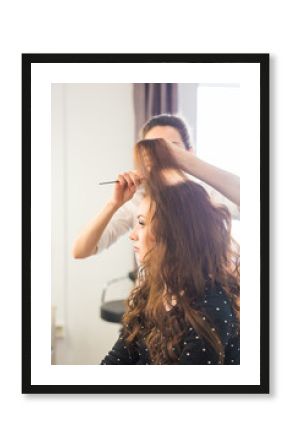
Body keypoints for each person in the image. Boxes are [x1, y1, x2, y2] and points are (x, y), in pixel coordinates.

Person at [101, 138, 240, 365]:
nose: (132, 235)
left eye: (142, 223)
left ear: (174, 235)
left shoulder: (210, 309)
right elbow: (116, 360)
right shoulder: (152, 290)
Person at [72, 114, 240, 259]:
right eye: (153, 149)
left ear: (188, 152)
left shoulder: (205, 193)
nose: (161, 155)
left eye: (171, 147)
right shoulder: (136, 199)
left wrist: (190, 163)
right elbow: (80, 251)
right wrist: (113, 204)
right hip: (154, 295)